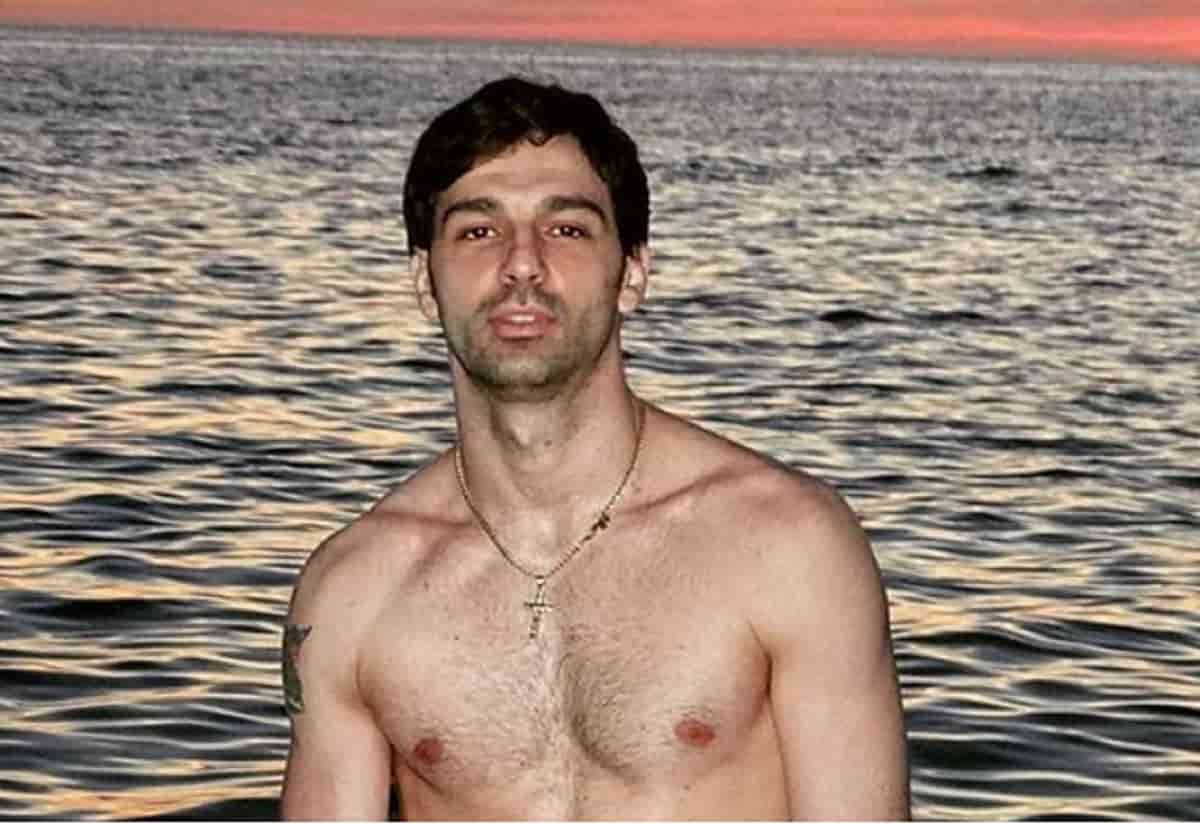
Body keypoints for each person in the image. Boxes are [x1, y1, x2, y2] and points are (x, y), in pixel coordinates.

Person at [280, 75, 910, 820]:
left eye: (567, 229)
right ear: (425, 281)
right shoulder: (351, 595)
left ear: (632, 273)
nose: (521, 263)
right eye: (478, 231)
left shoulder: (788, 546)